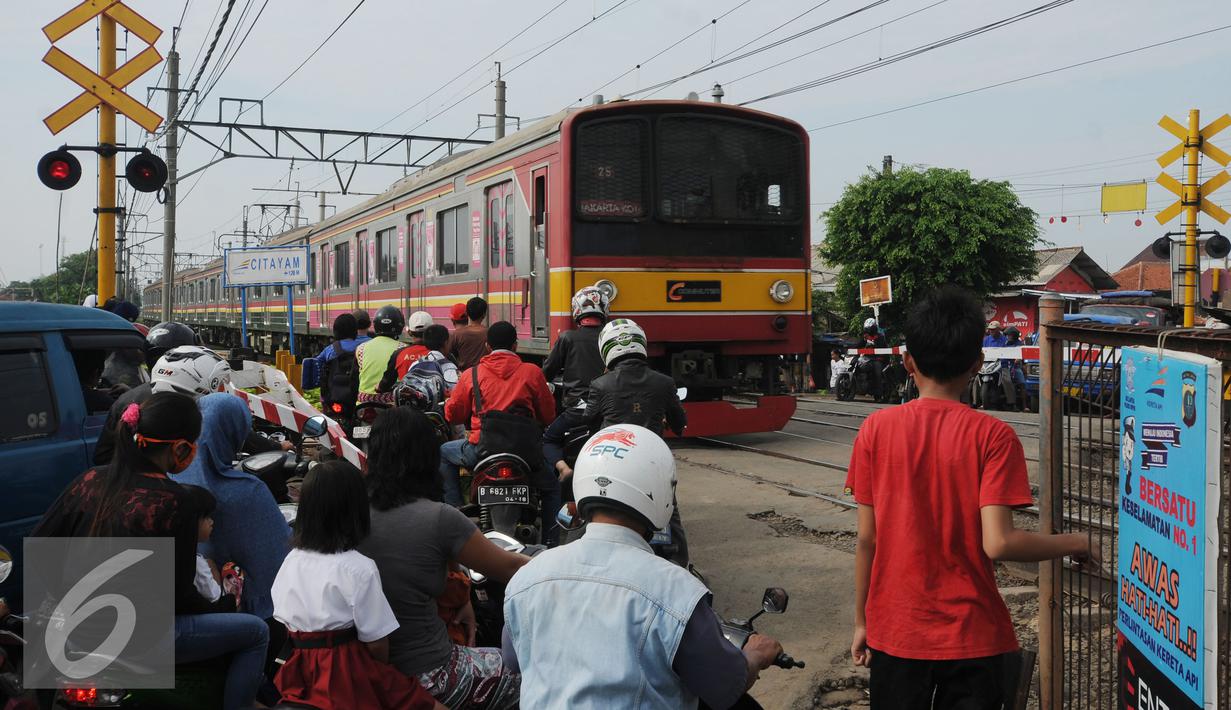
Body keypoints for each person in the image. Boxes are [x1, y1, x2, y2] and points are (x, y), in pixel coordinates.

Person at [846, 286, 1096, 709]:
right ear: (978, 363)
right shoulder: (994, 437)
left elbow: (867, 539)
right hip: (972, 635)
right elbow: (999, 543)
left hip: (895, 629)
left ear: (908, 362)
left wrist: (861, 621)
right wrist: (1079, 542)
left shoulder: (875, 430)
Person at [504, 424, 784, 709]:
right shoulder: (677, 591)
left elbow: (513, 660)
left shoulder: (526, 578)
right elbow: (723, 688)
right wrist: (754, 656)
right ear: (661, 491)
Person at [33, 392, 269, 710]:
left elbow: (41, 548)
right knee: (255, 633)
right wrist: (226, 607)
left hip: (78, 633)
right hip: (143, 639)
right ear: (180, 447)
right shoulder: (175, 502)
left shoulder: (88, 481)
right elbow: (181, 595)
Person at [358, 407, 527, 709]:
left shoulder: (351, 513)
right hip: (430, 674)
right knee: (530, 670)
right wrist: (568, 566)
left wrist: (463, 601)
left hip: (368, 673)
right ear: (427, 456)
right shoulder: (439, 518)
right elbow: (511, 567)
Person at [271, 461, 445, 710]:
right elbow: (377, 643)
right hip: (344, 671)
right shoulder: (359, 567)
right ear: (356, 509)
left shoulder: (292, 559)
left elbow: (282, 613)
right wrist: (381, 674)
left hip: (298, 667)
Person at [174, 393, 290, 621]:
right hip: (250, 611)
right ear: (236, 432)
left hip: (188, 608)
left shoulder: (172, 476)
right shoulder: (247, 491)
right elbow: (279, 554)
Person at [440, 321, 556, 507]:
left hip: (481, 450)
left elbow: (453, 416)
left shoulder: (472, 375)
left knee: (444, 452)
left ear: (487, 346)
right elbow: (548, 416)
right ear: (515, 345)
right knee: (551, 488)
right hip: (524, 451)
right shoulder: (533, 373)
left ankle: (456, 509)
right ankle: (550, 537)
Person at [94, 345, 262, 465]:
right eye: (218, 386)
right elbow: (234, 432)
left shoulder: (128, 400)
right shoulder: (189, 414)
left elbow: (102, 457)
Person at [541, 286, 609, 410]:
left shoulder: (567, 337)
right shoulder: (609, 338)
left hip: (575, 405)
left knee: (552, 430)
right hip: (606, 404)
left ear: (577, 309)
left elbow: (547, 372)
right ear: (605, 308)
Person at [356, 305, 405, 404]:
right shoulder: (403, 349)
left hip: (363, 406)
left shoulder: (361, 348)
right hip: (392, 406)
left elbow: (354, 380)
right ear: (400, 326)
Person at [301, 313, 362, 389]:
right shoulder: (363, 348)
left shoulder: (329, 350)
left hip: (334, 394)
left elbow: (316, 366)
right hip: (357, 393)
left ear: (336, 331)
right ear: (355, 330)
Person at [379, 311, 435, 393]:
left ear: (409, 332)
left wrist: (379, 387)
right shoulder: (441, 353)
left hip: (407, 401)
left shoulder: (399, 354)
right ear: (432, 330)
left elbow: (386, 382)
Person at [447, 296, 491, 371]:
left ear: (467, 313)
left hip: (464, 376)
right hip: (484, 375)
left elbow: (448, 354)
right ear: (484, 314)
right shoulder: (490, 333)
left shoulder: (457, 334)